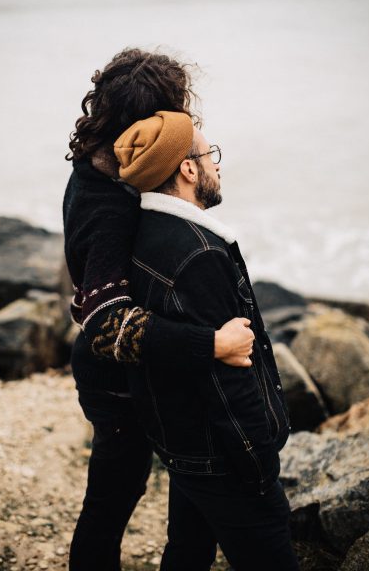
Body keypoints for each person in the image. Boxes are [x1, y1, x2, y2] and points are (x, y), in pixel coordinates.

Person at [62, 48, 255, 571]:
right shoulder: (104, 197)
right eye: (176, 110)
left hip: (160, 371)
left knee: (191, 503)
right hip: (116, 381)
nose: (186, 121)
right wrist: (209, 344)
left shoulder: (127, 171)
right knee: (114, 497)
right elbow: (105, 323)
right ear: (147, 120)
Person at [114, 110, 300, 571]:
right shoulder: (199, 254)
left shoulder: (141, 235)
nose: (217, 165)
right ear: (188, 169)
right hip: (222, 456)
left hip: (183, 441)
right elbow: (228, 379)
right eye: (210, 154)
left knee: (188, 552)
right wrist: (260, 466)